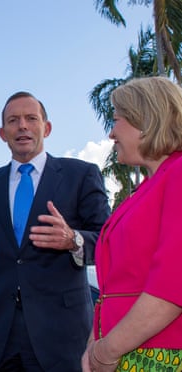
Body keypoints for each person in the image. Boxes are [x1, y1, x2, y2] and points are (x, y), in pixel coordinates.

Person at [0, 91, 110, 371]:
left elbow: (108, 240)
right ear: (2, 133)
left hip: (62, 335)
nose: (22, 126)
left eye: (31, 118)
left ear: (47, 127)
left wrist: (73, 240)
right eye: (13, 120)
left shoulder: (81, 175)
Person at [81, 76, 182, 372]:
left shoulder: (177, 174)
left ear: (146, 119)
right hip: (130, 352)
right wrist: (94, 345)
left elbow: (173, 285)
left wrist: (106, 351)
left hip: (160, 357)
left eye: (117, 119)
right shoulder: (148, 188)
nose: (112, 133)